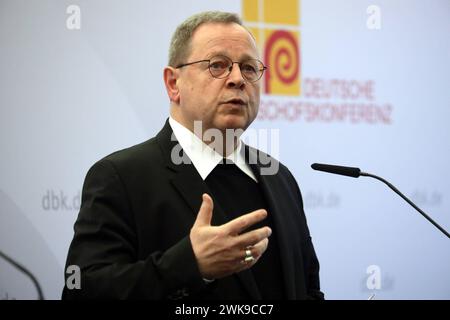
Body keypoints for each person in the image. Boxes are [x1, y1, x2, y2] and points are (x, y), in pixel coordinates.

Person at [62, 11, 324, 300]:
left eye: (249, 68)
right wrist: (190, 265)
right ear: (173, 84)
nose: (237, 79)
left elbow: (309, 287)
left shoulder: (279, 176)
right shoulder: (120, 177)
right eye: (217, 65)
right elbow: (82, 291)